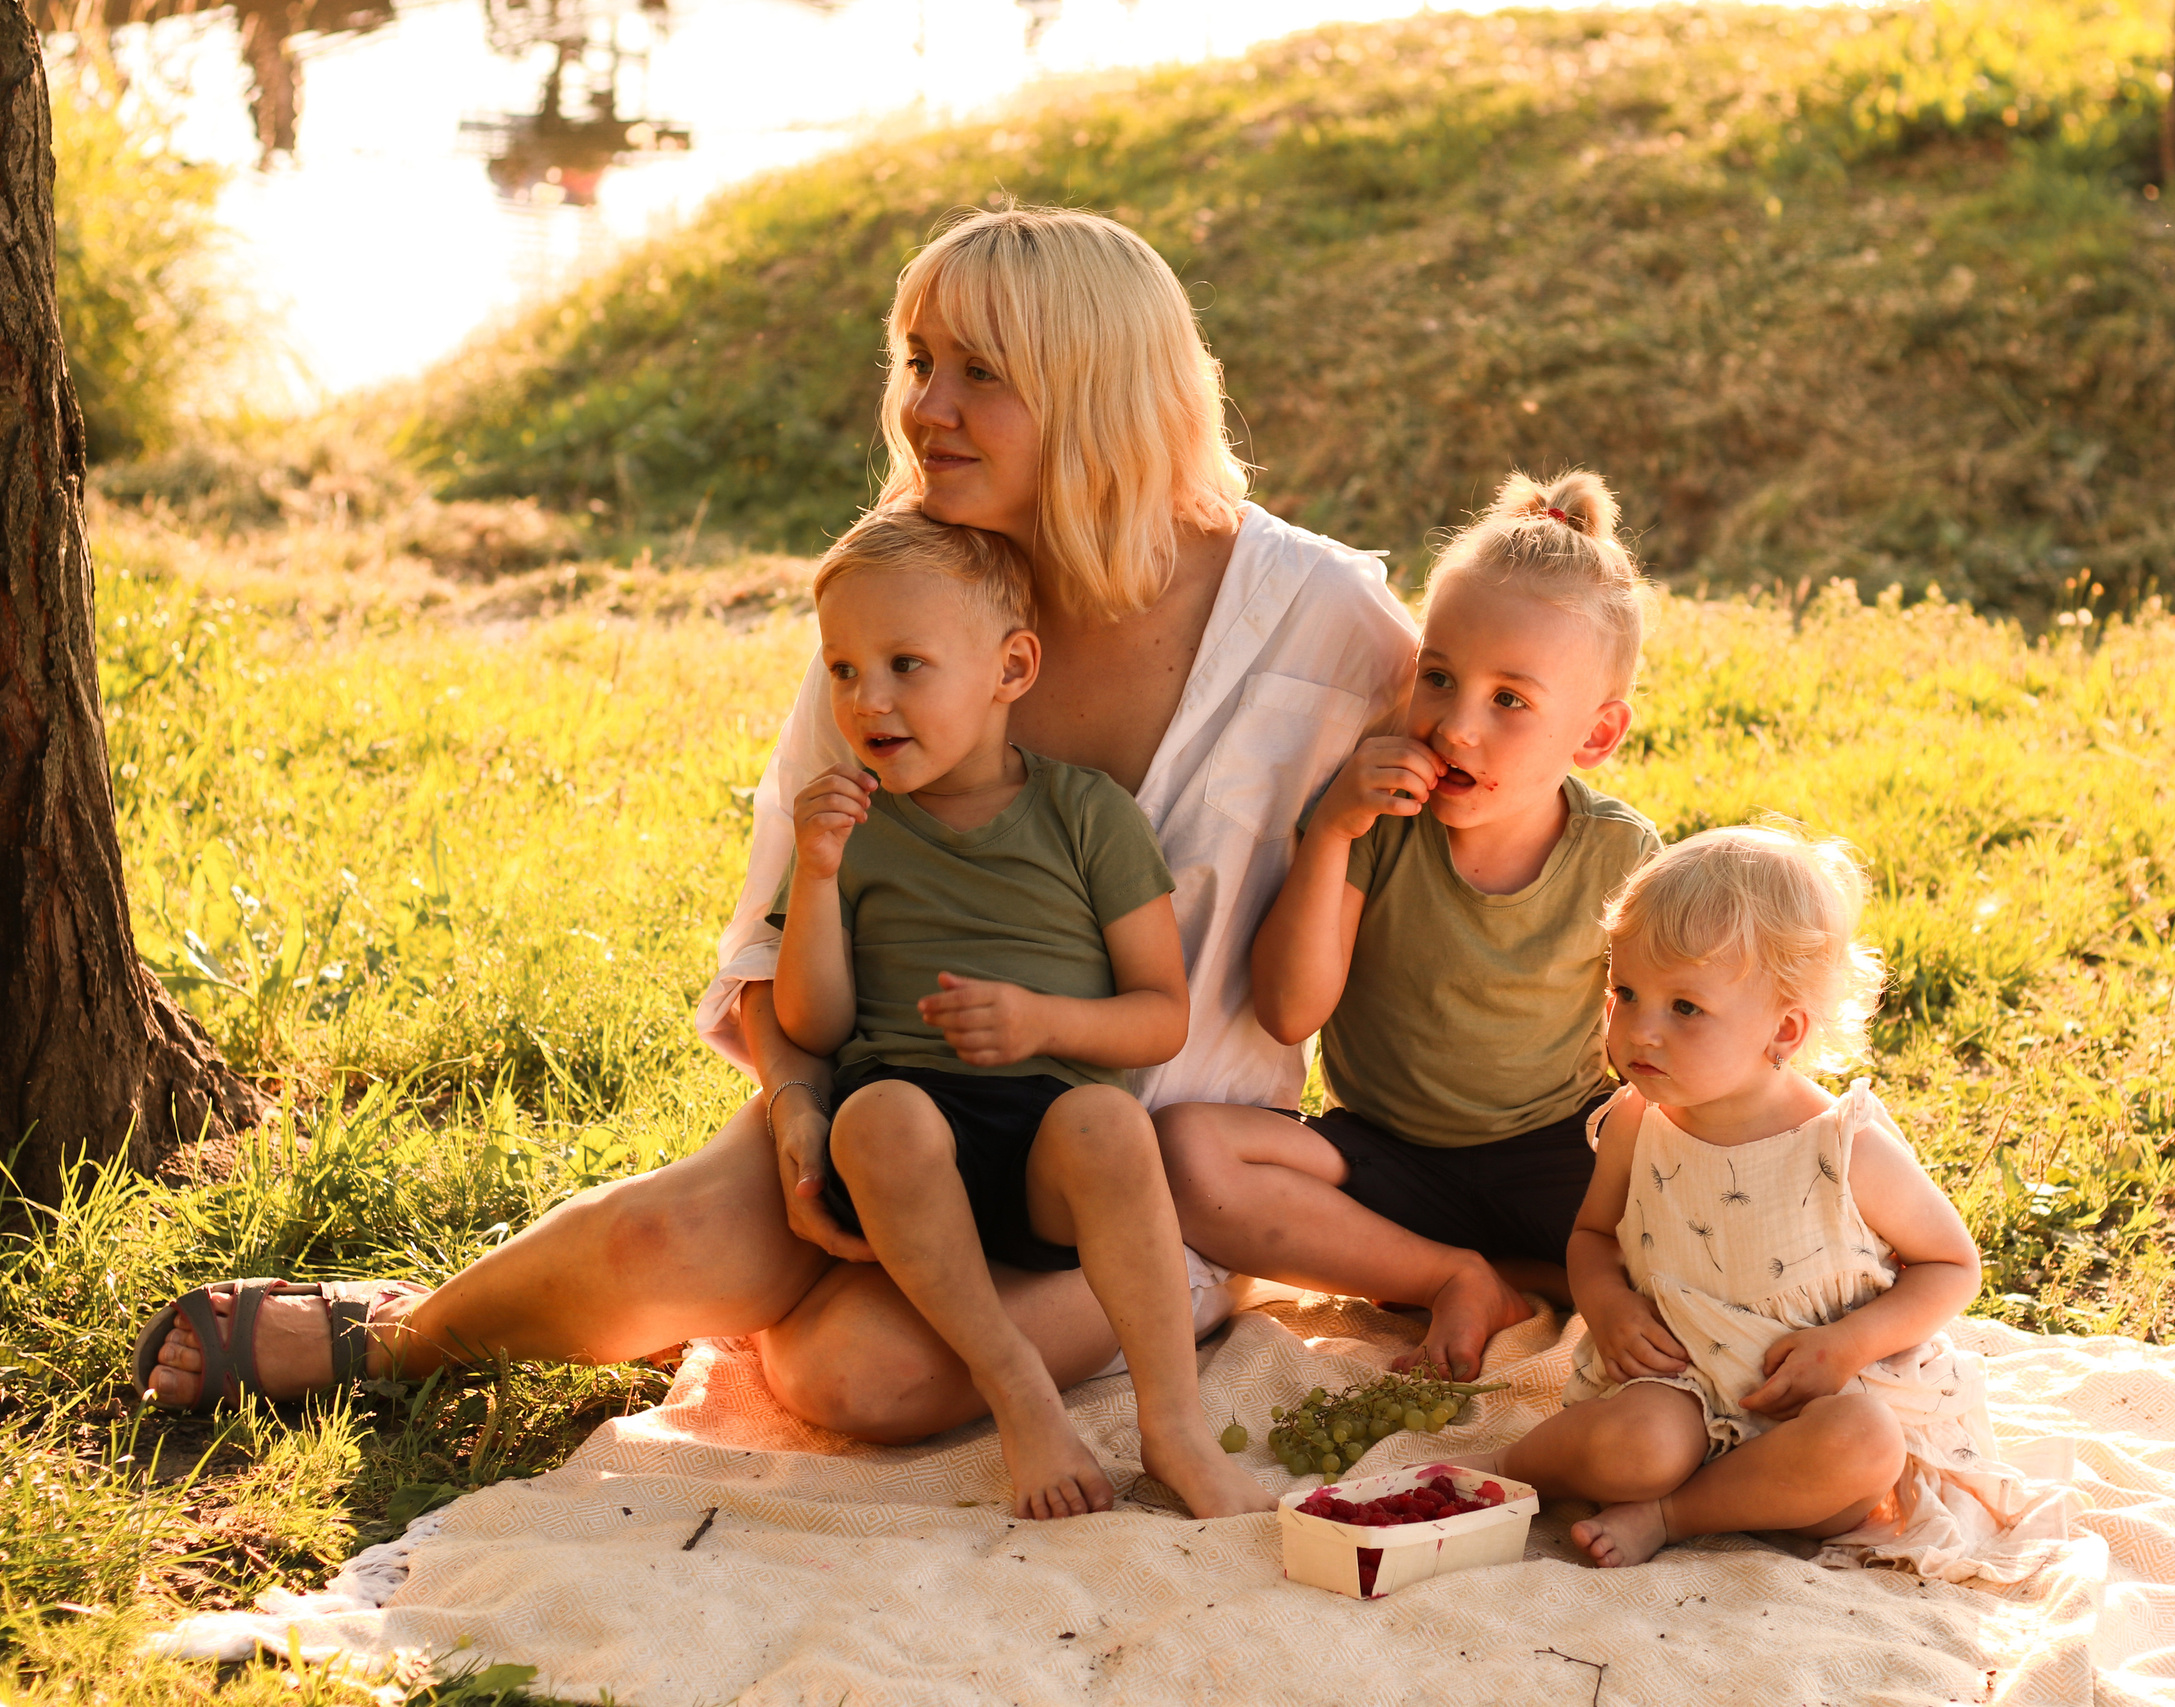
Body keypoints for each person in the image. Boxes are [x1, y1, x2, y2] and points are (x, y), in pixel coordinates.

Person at [133, 207, 1416, 1445]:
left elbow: (1481, 875)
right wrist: (799, 1106)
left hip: (1124, 1176)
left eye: (981, 372)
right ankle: (402, 1337)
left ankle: (760, 1300)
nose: (925, 409)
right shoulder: (907, 602)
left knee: (853, 1375)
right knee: (660, 1242)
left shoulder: (1325, 628)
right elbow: (774, 921)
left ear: (1099, 390)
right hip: (890, 1114)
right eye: (918, 363)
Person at [769, 504, 1268, 1519]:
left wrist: (1045, 1024)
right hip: (903, 1146)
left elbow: (1158, 1017)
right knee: (877, 1113)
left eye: (907, 664)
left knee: (1111, 1123)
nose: (869, 698)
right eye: (845, 669)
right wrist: (817, 876)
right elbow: (815, 1027)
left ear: (1011, 669)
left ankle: (1174, 1433)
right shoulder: (853, 830)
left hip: (1046, 1140)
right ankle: (1021, 1396)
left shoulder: (1086, 815)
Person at [1156, 471, 1660, 1382]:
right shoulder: (1377, 820)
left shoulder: (1619, 854)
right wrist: (1331, 832)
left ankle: (1523, 1275)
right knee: (1187, 1151)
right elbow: (1289, 1010)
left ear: (1595, 734)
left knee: (1691, 1234)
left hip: (1557, 1155)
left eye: (1510, 700)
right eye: (1439, 678)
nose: (1456, 726)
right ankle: (1452, 1275)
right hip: (1385, 1160)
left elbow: (1658, 1040)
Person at [1465, 824, 2051, 1581]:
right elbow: (1592, 1236)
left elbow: (1951, 1264)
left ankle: (1675, 1514)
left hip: (1810, 1404)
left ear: (1784, 1029)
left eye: (1686, 1007)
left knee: (1866, 1444)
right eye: (1626, 992)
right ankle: (1505, 1468)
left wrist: (1846, 1346)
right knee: (1635, 1447)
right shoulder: (1637, 1122)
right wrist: (1607, 1303)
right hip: (1679, 1384)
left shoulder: (1843, 1148)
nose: (1639, 1027)